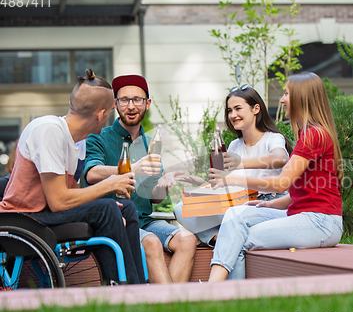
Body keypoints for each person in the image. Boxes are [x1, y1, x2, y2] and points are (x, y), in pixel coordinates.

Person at [0, 69, 145, 285]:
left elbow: (70, 195)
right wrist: (109, 184)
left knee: (125, 207)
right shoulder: (48, 131)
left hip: (47, 211)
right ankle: (121, 289)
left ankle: (138, 287)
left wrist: (110, 196)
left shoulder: (79, 143)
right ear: (101, 114)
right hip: (24, 216)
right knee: (106, 208)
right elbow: (58, 201)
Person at [208, 72, 344, 281]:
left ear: (302, 97)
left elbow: (282, 183)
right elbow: (307, 188)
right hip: (303, 215)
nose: (282, 99)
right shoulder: (308, 134)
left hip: (321, 222)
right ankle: (216, 289)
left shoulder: (313, 135)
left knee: (238, 239)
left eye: (286, 94)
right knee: (237, 215)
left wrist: (232, 178)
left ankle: (224, 295)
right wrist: (272, 205)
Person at [84, 74, 197, 284]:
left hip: (145, 221)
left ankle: (163, 305)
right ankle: (171, 309)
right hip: (117, 222)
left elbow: (153, 198)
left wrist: (163, 184)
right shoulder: (98, 138)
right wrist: (131, 168)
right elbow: (92, 173)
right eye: (124, 100)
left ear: (147, 103)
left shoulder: (151, 143)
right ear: (115, 104)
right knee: (151, 242)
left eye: (137, 99)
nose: (131, 106)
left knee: (187, 239)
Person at [174, 84, 292, 253]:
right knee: (181, 208)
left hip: (264, 202)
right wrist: (203, 184)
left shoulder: (272, 139)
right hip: (237, 202)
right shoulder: (234, 145)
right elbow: (227, 183)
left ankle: (228, 237)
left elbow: (280, 159)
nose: (233, 115)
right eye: (230, 111)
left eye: (238, 109)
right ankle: (217, 238)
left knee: (230, 215)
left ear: (255, 109)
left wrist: (241, 162)